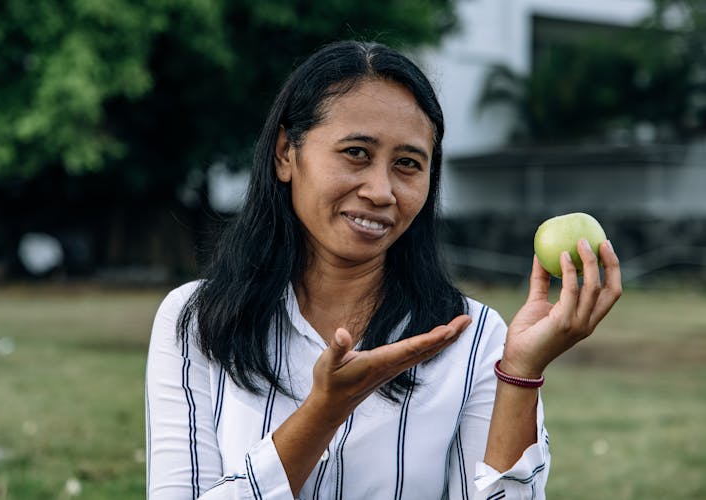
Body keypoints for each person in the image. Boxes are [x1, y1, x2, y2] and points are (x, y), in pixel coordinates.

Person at [145, 40, 622, 499]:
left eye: (408, 163)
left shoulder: (473, 339)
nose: (381, 190)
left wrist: (521, 373)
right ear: (286, 154)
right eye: (356, 153)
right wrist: (323, 413)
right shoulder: (196, 319)